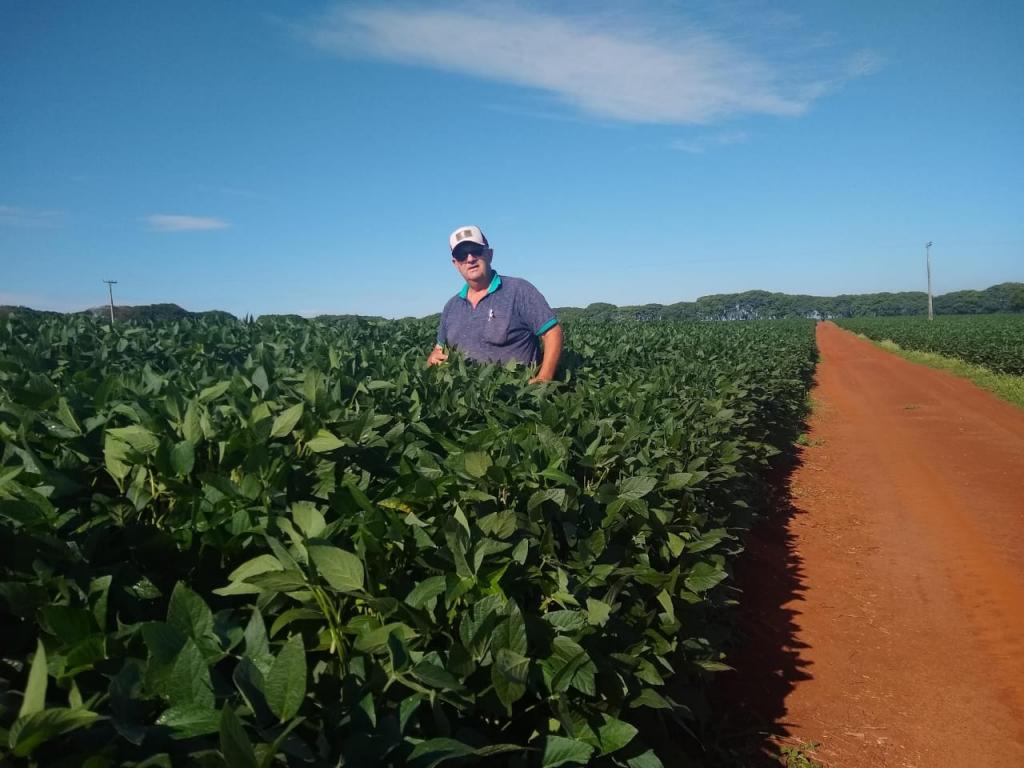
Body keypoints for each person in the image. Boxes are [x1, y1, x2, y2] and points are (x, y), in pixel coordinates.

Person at [427, 225, 563, 383]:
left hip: (516, 397)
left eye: (476, 250)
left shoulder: (518, 290)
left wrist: (544, 377)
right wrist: (432, 359)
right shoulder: (451, 306)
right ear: (455, 263)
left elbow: (552, 333)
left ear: (489, 254)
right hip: (466, 400)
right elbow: (438, 350)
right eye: (462, 254)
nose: (470, 259)